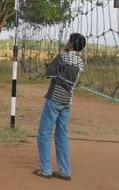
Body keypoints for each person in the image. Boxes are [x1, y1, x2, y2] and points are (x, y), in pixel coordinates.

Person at [33, 32, 86, 181]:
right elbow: (66, 74)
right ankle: (65, 171)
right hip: (67, 101)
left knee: (44, 133)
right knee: (62, 135)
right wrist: (53, 68)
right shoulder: (80, 62)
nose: (67, 42)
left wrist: (49, 68)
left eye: (69, 40)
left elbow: (49, 74)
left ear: (71, 44)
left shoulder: (62, 56)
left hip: (55, 98)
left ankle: (46, 170)